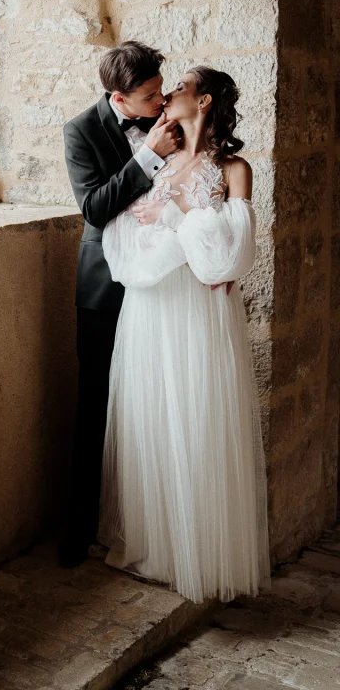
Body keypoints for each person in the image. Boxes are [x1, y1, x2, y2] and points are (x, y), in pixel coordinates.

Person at [98, 65, 270, 603]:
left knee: (198, 415)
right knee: (153, 415)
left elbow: (233, 256)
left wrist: (177, 224)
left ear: (205, 100)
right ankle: (157, 545)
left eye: (181, 86)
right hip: (152, 306)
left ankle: (199, 553)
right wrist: (177, 232)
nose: (168, 93)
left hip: (198, 311)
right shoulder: (156, 163)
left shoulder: (233, 170)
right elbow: (123, 234)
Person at [60, 41, 180, 567]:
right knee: (95, 409)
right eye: (150, 95)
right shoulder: (80, 131)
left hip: (162, 285)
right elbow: (94, 208)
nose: (162, 100)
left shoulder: (170, 117)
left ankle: (150, 531)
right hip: (105, 288)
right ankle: (80, 529)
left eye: (161, 88)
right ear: (119, 97)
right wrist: (150, 154)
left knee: (154, 404)